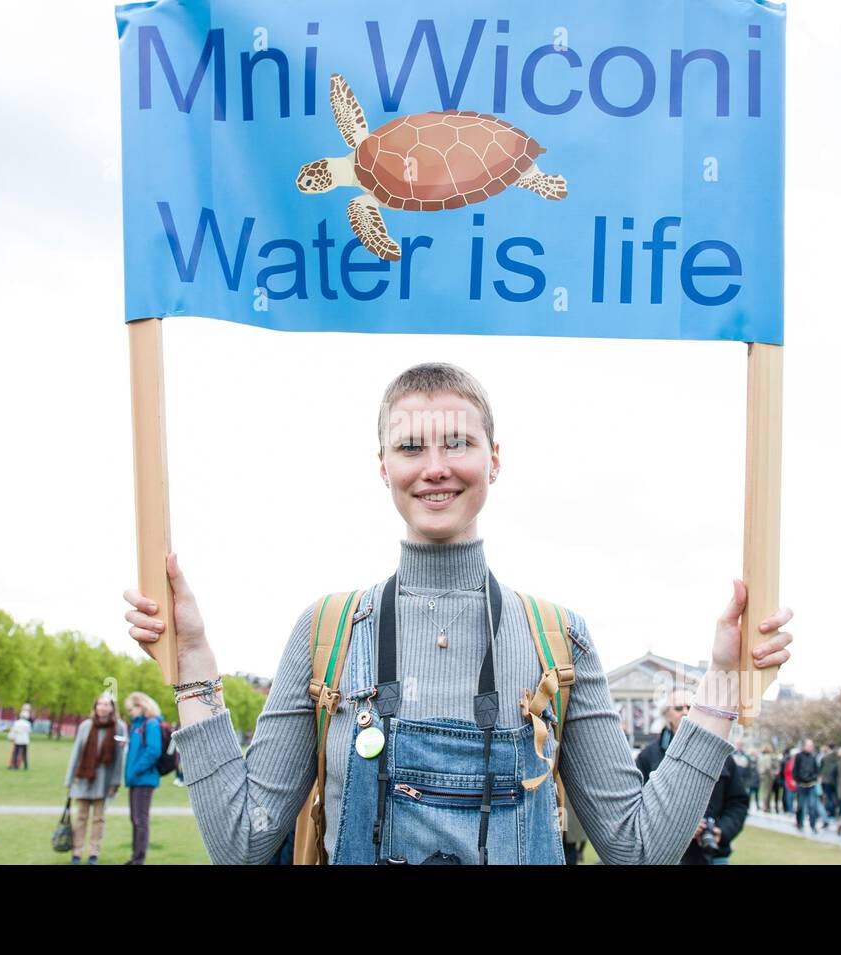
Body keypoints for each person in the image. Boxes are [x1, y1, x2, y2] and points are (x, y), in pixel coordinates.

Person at [122, 363, 795, 865]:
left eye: (458, 443)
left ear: (494, 459)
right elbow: (242, 844)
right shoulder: (326, 630)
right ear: (382, 465)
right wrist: (195, 675)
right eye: (411, 446)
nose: (435, 467)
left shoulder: (558, 637)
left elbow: (637, 847)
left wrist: (718, 690)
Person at [638, 686, 749, 864]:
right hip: (664, 854)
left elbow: (738, 802)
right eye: (678, 708)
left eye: (691, 708)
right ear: (666, 714)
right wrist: (682, 824)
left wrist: (722, 830)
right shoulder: (648, 756)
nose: (685, 712)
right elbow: (639, 805)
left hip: (712, 853)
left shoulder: (720, 754)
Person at [64, 693, 127, 865]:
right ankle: (76, 853)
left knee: (99, 819)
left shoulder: (119, 727)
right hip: (83, 778)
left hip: (104, 781)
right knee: (81, 817)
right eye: (100, 704)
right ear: (95, 706)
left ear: (112, 707)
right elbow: (76, 753)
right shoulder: (85, 725)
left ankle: (93, 853)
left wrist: (115, 782)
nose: (103, 707)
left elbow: (120, 758)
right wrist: (69, 780)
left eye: (107, 704)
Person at [123, 691, 164, 865]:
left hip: (144, 779)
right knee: (134, 818)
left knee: (141, 820)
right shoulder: (136, 726)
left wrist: (137, 769)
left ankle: (139, 859)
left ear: (141, 706)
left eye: (131, 709)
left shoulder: (151, 724)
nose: (130, 713)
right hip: (135, 779)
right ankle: (134, 856)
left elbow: (154, 750)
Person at [792, 739, 823, 833]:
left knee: (812, 806)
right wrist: (797, 780)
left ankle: (813, 826)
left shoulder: (813, 757)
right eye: (809, 745)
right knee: (800, 806)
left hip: (811, 785)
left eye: (811, 746)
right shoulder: (798, 756)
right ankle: (799, 823)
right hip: (801, 785)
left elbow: (816, 770)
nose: (811, 747)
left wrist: (815, 778)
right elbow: (795, 770)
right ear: (804, 746)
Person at [7, 704, 32, 770]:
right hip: (25, 741)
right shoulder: (28, 724)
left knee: (16, 753)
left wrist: (11, 738)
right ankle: (25, 766)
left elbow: (13, 731)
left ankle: (15, 766)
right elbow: (29, 732)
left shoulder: (17, 722)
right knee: (24, 754)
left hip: (17, 740)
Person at [819, 742, 839, 822]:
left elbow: (821, 769)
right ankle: (832, 813)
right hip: (834, 781)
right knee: (834, 797)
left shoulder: (825, 757)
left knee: (828, 798)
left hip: (826, 780)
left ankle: (830, 814)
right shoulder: (837, 757)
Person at [757, 745, 777, 813]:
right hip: (768, 776)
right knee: (767, 792)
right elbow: (768, 767)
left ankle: (765, 806)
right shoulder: (768, 757)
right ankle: (765, 806)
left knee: (764, 790)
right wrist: (772, 774)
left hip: (762, 775)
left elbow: (758, 766)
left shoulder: (760, 757)